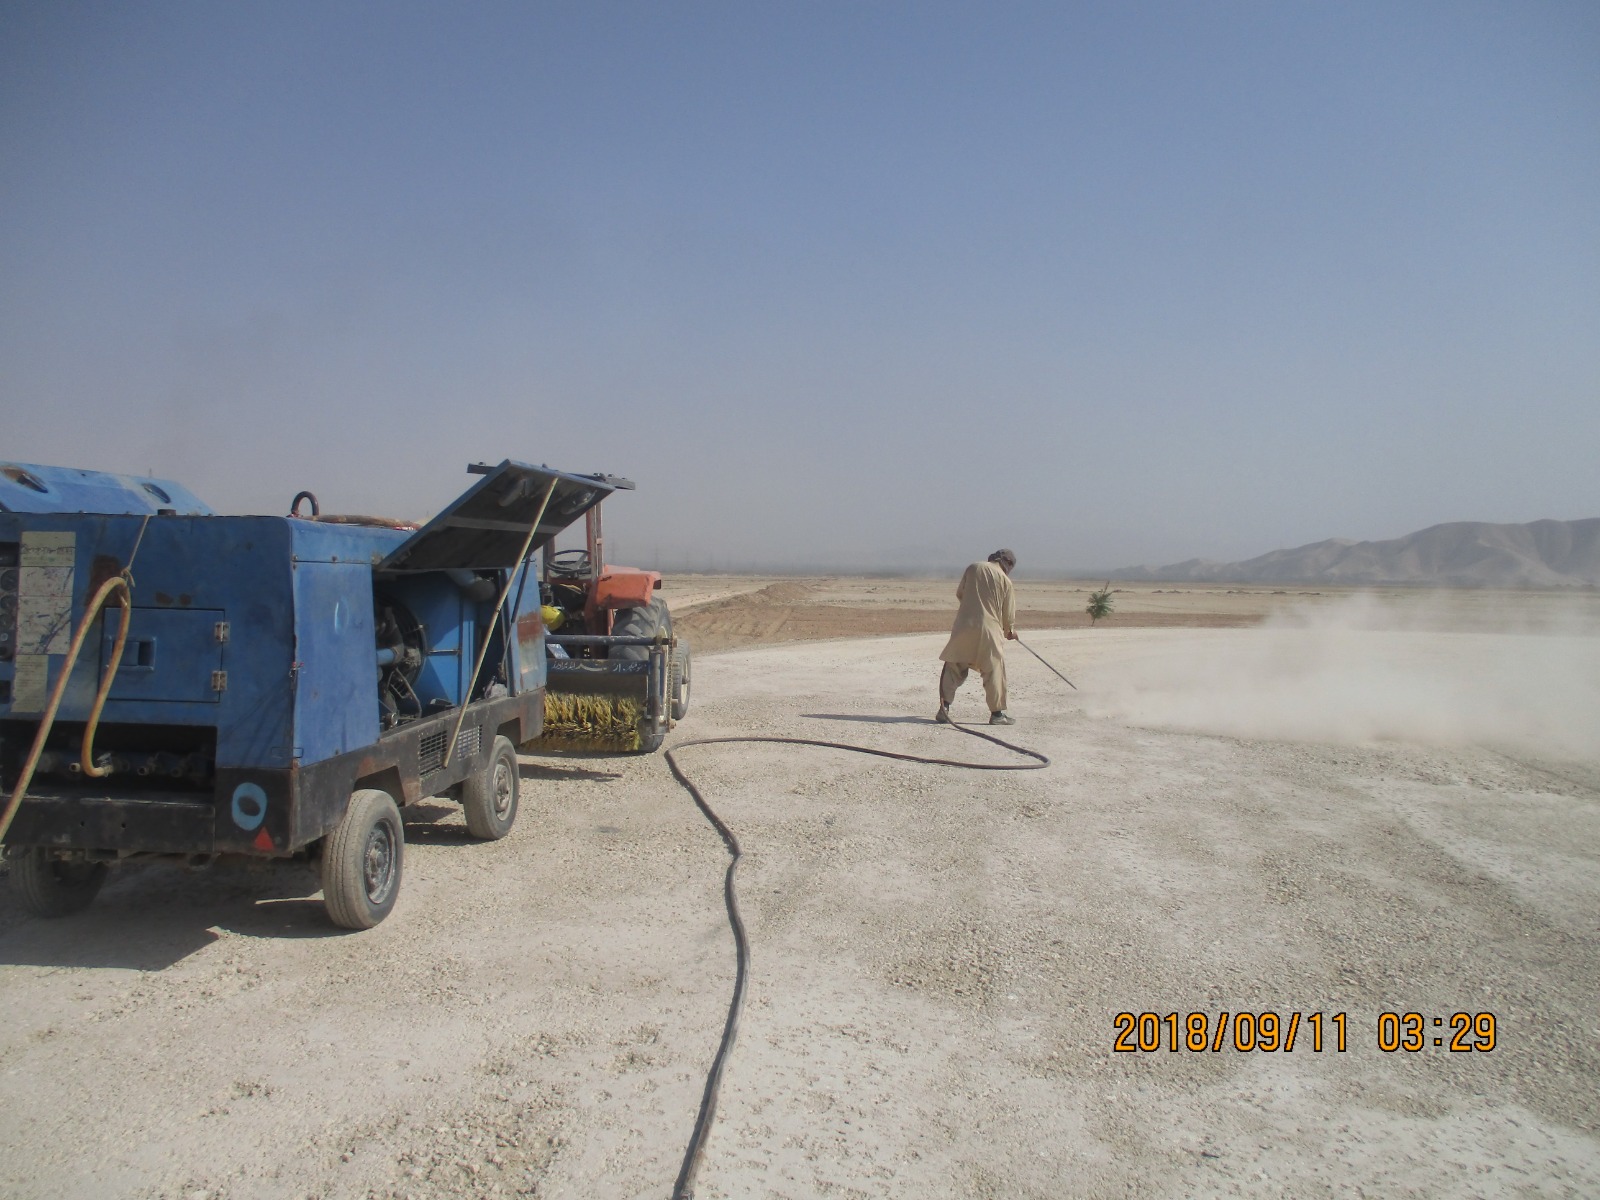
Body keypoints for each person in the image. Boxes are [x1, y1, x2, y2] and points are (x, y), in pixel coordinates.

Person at [936, 549, 1018, 726]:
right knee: (994, 670)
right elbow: (1008, 615)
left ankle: (945, 709)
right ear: (1007, 563)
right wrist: (1010, 631)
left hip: (964, 627)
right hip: (990, 631)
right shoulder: (1006, 581)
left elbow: (960, 594)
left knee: (953, 667)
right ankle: (997, 715)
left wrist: (972, 607)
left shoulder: (973, 568)